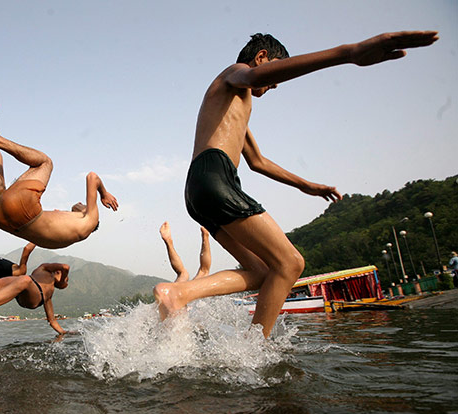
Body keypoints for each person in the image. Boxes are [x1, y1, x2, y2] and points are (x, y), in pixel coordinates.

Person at [153, 30, 439, 338]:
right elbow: (253, 76)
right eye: (272, 75)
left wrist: (307, 186)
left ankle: (180, 294)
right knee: (290, 263)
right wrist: (349, 53)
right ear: (261, 58)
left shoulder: (235, 105)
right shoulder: (234, 74)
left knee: (263, 271)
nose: (273, 85)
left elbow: (258, 162)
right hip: (215, 175)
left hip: (199, 188)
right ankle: (256, 349)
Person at [0, 104, 119, 249]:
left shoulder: (90, 220)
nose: (80, 204)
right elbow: (57, 221)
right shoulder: (72, 231)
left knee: (45, 163)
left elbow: (92, 177)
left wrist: (103, 193)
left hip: (22, 210)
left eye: (84, 207)